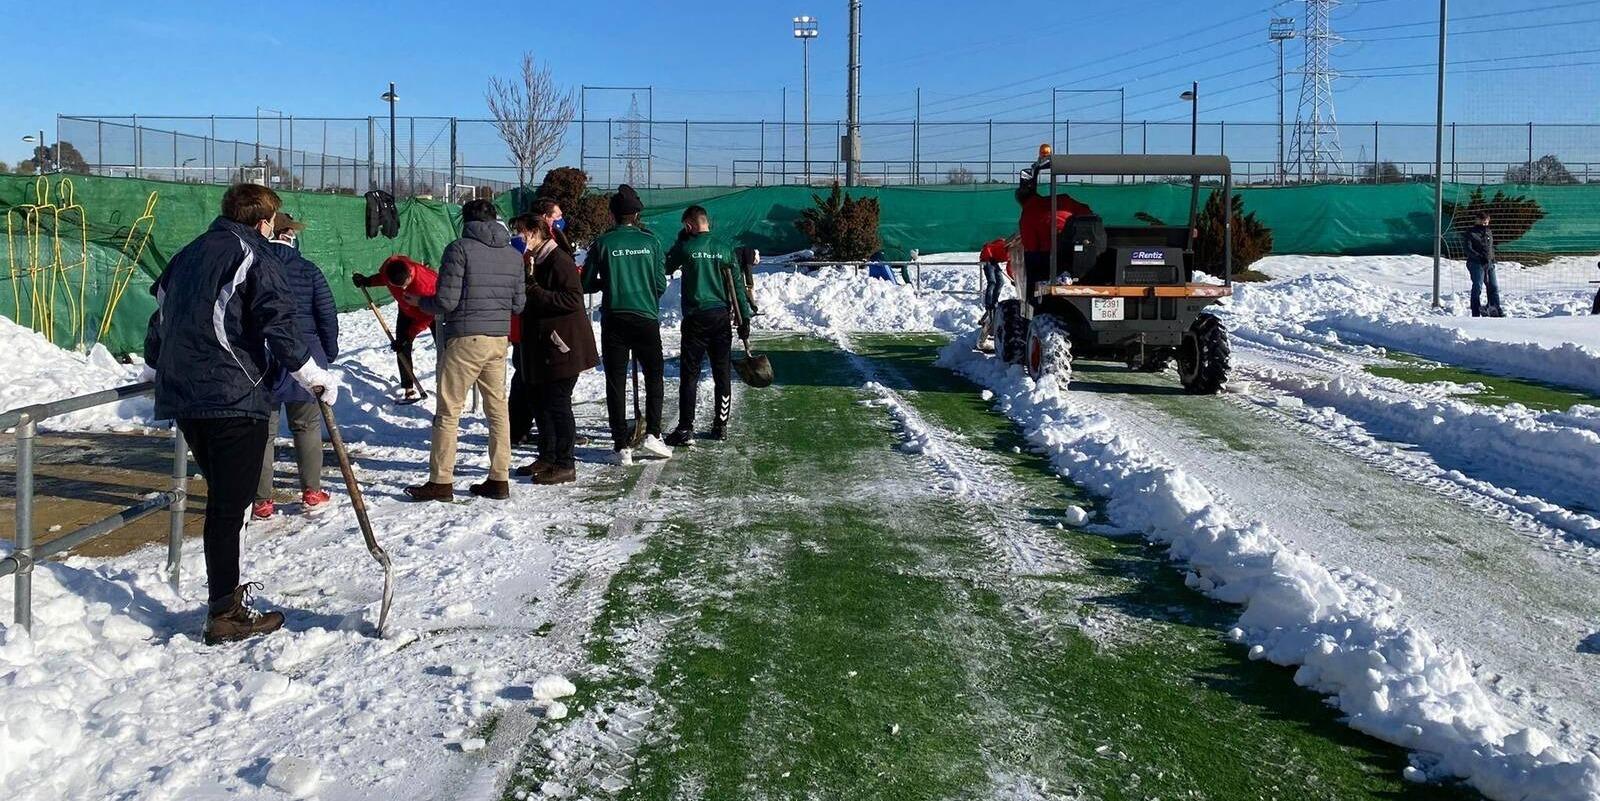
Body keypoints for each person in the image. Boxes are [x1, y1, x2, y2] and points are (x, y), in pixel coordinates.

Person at [144, 183, 341, 645]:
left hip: (186, 396)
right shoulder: (254, 255)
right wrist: (312, 373)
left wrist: (166, 362)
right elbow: (278, 322)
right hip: (234, 396)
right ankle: (226, 612)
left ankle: (225, 600)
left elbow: (160, 322)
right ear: (264, 222)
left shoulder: (187, 255)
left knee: (227, 503)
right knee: (232, 507)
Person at [403, 199, 525, 502]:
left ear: (466, 221)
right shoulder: (513, 255)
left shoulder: (459, 249)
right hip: (499, 339)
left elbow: (446, 301)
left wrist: (419, 303)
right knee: (497, 411)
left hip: (465, 340)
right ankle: (499, 479)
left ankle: (441, 482)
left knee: (448, 412)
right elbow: (519, 305)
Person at [253, 212, 339, 520]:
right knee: (307, 425)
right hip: (305, 354)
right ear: (289, 234)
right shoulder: (308, 270)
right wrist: (328, 352)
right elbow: (326, 314)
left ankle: (262, 499)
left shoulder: (255, 265)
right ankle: (312, 492)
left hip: (262, 356)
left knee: (264, 431)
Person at [582, 184, 672, 465]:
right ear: (636, 214)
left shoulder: (603, 243)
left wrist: (608, 283)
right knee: (654, 375)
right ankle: (654, 435)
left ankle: (621, 444)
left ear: (613, 214)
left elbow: (585, 283)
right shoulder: (652, 241)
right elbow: (660, 284)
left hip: (615, 318)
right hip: (645, 318)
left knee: (615, 381)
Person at [512, 213, 598, 483]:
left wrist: (535, 291)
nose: (518, 236)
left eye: (522, 232)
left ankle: (565, 462)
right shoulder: (534, 260)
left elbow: (573, 299)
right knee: (539, 401)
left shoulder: (559, 259)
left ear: (537, 233)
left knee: (558, 404)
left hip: (562, 346)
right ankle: (547, 455)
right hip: (542, 348)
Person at [664, 206, 753, 446]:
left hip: (695, 318)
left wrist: (679, 243)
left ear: (689, 226)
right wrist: (744, 320)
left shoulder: (686, 247)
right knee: (721, 372)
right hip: (720, 318)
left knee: (690, 374)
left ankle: (685, 428)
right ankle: (720, 425)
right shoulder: (724, 249)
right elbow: (738, 288)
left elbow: (666, 267)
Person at [353, 256, 438, 402]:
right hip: (407, 311)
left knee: (445, 350)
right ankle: (408, 388)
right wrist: (368, 281)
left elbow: (427, 317)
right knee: (402, 349)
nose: (404, 289)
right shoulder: (389, 272)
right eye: (399, 286)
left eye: (406, 284)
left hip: (433, 312)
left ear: (410, 275)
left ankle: (452, 389)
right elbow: (383, 278)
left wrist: (410, 335)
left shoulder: (425, 284)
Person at [1016, 143, 1092, 307]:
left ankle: (1033, 304)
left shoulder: (1028, 216)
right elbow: (1088, 214)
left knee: (1031, 258)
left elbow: (1031, 246)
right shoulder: (1064, 201)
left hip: (1053, 259)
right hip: (1083, 256)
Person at [1464, 210, 1502, 318]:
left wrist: (1492, 259)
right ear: (1477, 220)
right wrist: (1479, 257)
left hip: (1489, 263)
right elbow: (1468, 249)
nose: (1484, 224)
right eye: (1482, 222)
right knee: (1478, 286)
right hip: (1476, 263)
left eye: (1486, 222)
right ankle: (1475, 311)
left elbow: (1490, 247)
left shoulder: (1488, 232)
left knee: (1493, 286)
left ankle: (1494, 308)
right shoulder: (1471, 233)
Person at [734, 246, 760, 315]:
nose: (752, 265)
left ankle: (745, 309)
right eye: (753, 264)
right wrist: (750, 285)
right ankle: (745, 311)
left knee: (740, 287)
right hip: (734, 265)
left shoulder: (746, 252)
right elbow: (748, 272)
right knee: (740, 289)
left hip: (734, 264)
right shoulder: (750, 254)